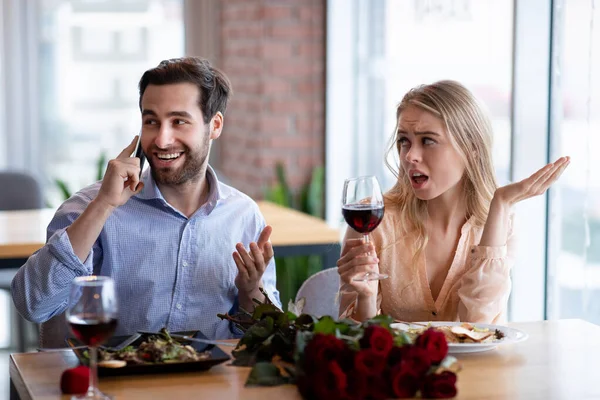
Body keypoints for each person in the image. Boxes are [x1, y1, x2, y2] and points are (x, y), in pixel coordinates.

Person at [11, 57, 281, 341]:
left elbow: (265, 339)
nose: (162, 140)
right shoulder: (91, 206)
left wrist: (250, 291)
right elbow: (35, 305)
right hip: (108, 382)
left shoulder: (244, 216)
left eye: (179, 121)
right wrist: (103, 206)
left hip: (209, 382)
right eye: (152, 121)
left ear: (214, 125)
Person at [338, 80, 569, 324]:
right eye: (404, 140)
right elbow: (353, 340)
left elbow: (480, 328)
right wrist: (365, 299)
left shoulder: (501, 222)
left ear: (471, 148)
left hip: (474, 365)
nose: (409, 155)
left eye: (427, 140)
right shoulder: (373, 220)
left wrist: (500, 203)